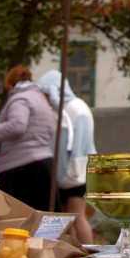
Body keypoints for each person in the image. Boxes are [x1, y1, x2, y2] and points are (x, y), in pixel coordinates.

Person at [0, 65, 58, 211]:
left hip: (21, 168)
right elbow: (51, 128)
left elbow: (17, 126)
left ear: (10, 84)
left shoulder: (20, 99)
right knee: (43, 220)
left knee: (18, 219)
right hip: (44, 164)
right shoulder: (40, 99)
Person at [38, 70, 97, 245]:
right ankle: (71, 254)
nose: (46, 99)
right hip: (63, 176)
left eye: (47, 94)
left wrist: (74, 173)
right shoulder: (59, 111)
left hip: (76, 175)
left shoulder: (77, 108)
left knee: (78, 216)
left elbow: (80, 145)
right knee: (65, 220)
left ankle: (90, 256)